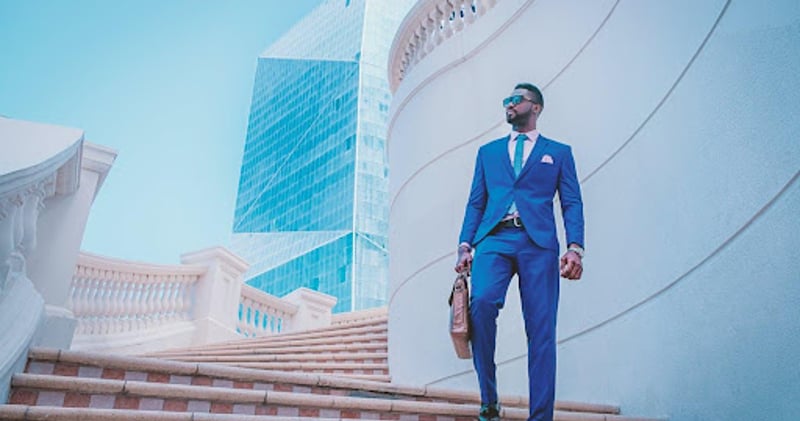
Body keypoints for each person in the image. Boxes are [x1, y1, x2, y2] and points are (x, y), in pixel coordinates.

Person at [455, 82, 585, 421]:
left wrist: (575, 248)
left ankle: (540, 417)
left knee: (541, 329)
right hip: (493, 240)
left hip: (538, 244)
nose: (509, 105)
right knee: (481, 304)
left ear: (536, 107)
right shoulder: (488, 152)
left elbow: (571, 202)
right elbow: (476, 202)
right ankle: (489, 399)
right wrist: (465, 245)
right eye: (507, 101)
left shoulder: (558, 152)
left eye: (517, 100)